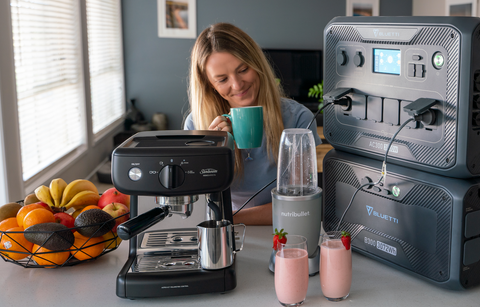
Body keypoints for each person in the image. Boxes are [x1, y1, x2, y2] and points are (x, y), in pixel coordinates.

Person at [184, 22, 321, 225]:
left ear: (256, 64)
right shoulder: (197, 124)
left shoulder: (298, 118)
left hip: (280, 228)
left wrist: (229, 218)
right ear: (209, 86)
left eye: (243, 69)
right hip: (224, 233)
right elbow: (197, 204)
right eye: (222, 79)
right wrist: (214, 153)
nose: (238, 85)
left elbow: (299, 206)